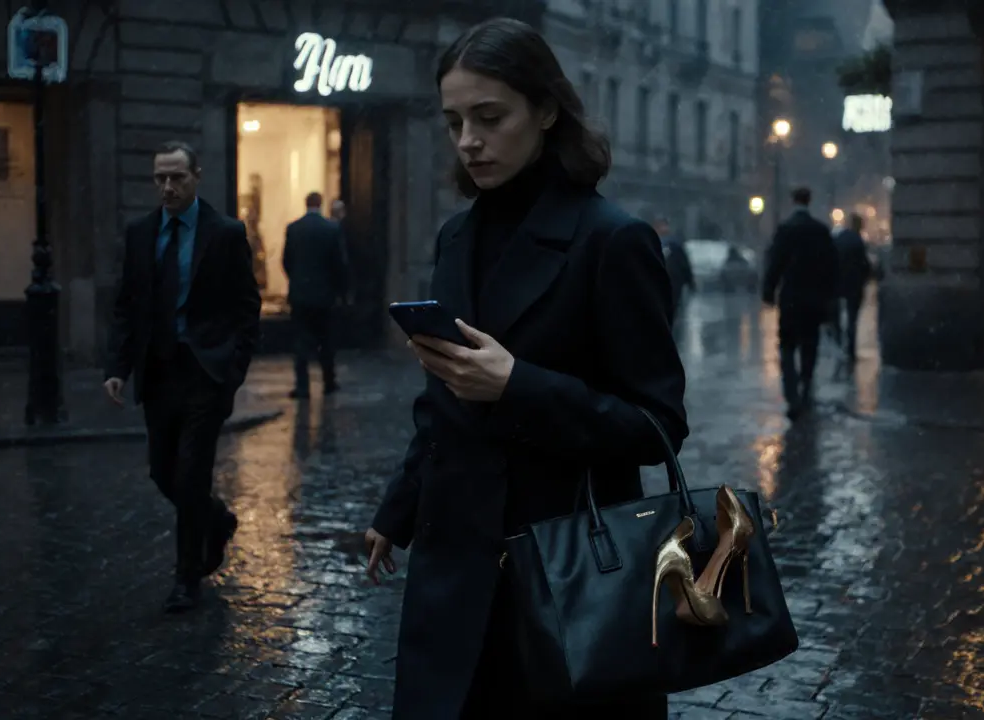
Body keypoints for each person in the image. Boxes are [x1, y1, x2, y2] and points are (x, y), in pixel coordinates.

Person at [362, 17, 688, 720]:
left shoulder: (613, 241)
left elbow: (657, 425)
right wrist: (398, 509)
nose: (469, 140)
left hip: (565, 575)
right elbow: (442, 402)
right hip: (452, 569)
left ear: (544, 110)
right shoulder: (455, 237)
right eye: (454, 122)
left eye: (489, 116)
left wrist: (519, 386)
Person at [103, 141, 261, 611]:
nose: (168, 187)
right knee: (162, 472)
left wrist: (232, 371)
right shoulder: (140, 233)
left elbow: (246, 307)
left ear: (196, 176)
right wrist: (118, 367)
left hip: (205, 374)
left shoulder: (226, 233)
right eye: (160, 179)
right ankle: (216, 518)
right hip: (158, 372)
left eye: (177, 177)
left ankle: (186, 578)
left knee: (192, 474)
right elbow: (128, 307)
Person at [761, 187, 838, 420]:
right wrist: (829, 296)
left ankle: (791, 393)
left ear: (793, 201)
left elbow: (774, 263)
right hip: (813, 298)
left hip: (791, 297)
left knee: (786, 345)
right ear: (809, 201)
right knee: (810, 343)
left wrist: (769, 291)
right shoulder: (821, 231)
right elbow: (831, 267)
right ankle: (806, 385)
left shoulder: (785, 230)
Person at [283, 192, 348, 398]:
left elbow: (286, 261)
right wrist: (340, 290)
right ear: (320, 204)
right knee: (326, 340)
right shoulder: (331, 229)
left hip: (301, 294)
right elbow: (339, 263)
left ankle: (302, 386)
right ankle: (328, 381)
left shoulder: (294, 229)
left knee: (301, 341)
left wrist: (297, 280)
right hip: (324, 295)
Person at [833, 213, 873, 362]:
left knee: (836, 316)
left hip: (838, 282)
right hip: (854, 284)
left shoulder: (840, 238)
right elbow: (864, 264)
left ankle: (838, 342)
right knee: (852, 318)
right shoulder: (858, 241)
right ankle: (850, 348)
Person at [653, 217, 695, 322]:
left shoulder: (673, 245)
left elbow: (683, 263)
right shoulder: (653, 243)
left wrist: (689, 281)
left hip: (670, 282)